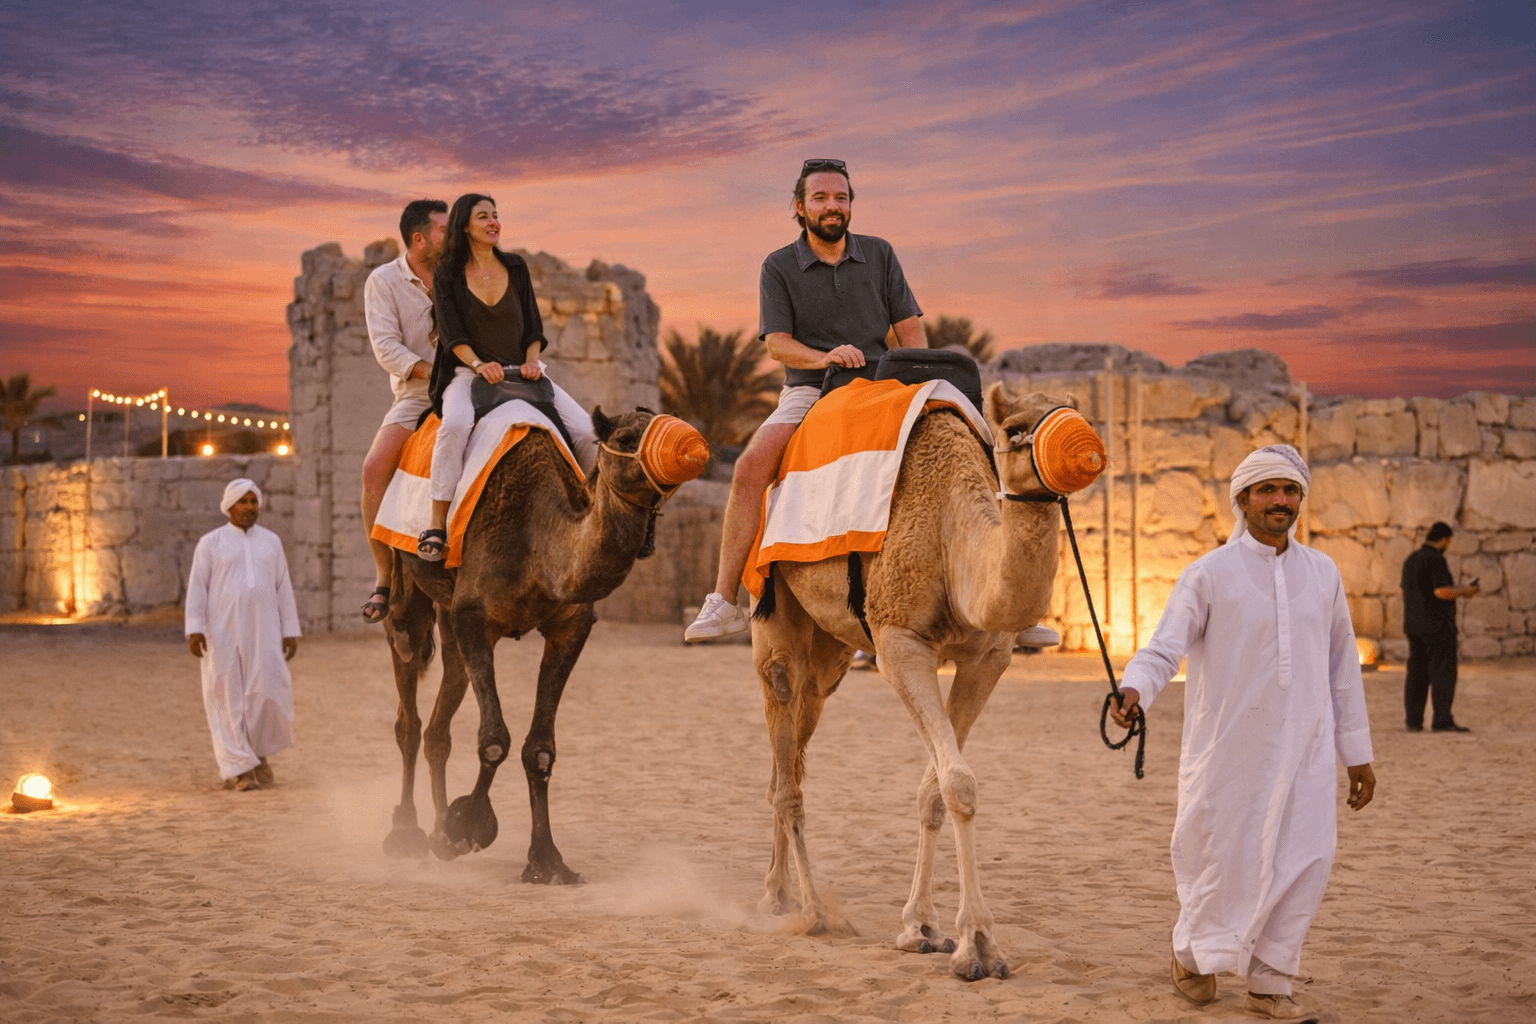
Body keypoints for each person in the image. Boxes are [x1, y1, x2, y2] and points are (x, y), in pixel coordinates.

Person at [682, 159, 1059, 647]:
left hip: (885, 382)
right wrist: (824, 357)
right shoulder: (778, 266)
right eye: (820, 198)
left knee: (986, 445)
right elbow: (776, 343)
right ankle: (723, 599)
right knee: (750, 467)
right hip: (812, 389)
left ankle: (1015, 606)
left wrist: (925, 372)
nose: (832, 206)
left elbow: (909, 330)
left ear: (850, 205)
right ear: (800, 208)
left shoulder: (879, 255)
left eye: (841, 198)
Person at [1108, 445, 1377, 1021]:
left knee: (1306, 858)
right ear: (1243, 500)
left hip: (1304, 749)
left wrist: (1356, 753)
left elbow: (1341, 669)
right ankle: (1191, 955)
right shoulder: (1209, 574)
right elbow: (1164, 648)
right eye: (1268, 490)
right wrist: (1133, 690)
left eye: (1291, 491)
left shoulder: (1323, 574)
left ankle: (1270, 979)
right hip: (1228, 750)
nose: (1281, 501)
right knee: (1219, 857)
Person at [416, 193, 596, 562]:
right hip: (468, 372)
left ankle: (593, 512)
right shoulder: (448, 274)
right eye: (483, 217)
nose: (493, 222)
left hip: (522, 372)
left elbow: (533, 326)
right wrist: (480, 365)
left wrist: (531, 361)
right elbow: (451, 334)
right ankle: (437, 523)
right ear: (465, 225)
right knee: (454, 425)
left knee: (588, 431)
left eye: (496, 215)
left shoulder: (515, 267)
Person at [360, 198, 448, 620]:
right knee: (374, 468)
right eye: (444, 230)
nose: (453, 236)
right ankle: (384, 576)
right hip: (417, 394)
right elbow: (386, 346)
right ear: (420, 238)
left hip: (469, 385)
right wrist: (432, 373)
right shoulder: (383, 281)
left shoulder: (461, 274)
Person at [185, 479, 301, 792]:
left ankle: (258, 755)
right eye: (243, 501)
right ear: (230, 506)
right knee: (227, 697)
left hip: (265, 632)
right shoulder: (211, 543)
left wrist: (289, 629)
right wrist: (195, 627)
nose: (250, 507)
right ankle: (238, 769)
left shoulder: (271, 542)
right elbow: (197, 588)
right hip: (222, 633)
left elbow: (283, 588)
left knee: (265, 695)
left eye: (254, 501)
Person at [1401, 521, 1478, 732]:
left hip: (1414, 626)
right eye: (1449, 541)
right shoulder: (1436, 560)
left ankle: (1413, 721)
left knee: (1417, 674)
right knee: (1443, 673)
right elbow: (1441, 591)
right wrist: (1464, 591)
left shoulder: (1411, 560)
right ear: (1444, 539)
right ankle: (1442, 719)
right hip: (1437, 627)